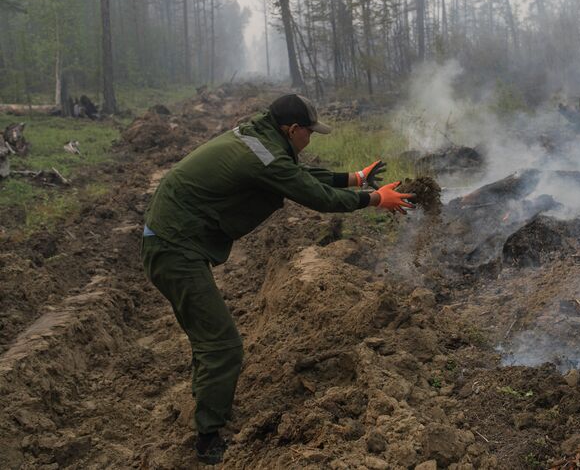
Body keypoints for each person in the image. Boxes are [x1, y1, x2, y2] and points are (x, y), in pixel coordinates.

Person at [141, 93, 414, 464]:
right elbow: (311, 193)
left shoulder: (262, 140)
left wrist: (357, 178)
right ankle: (207, 440)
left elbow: (294, 174)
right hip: (174, 247)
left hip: (174, 238)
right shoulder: (264, 154)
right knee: (223, 345)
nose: (312, 138)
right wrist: (372, 199)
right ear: (292, 129)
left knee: (210, 339)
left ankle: (206, 404)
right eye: (310, 132)